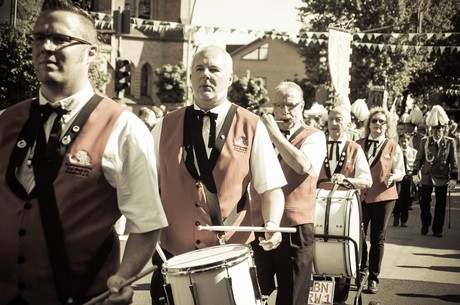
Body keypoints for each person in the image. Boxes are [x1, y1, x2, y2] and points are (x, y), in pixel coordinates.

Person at [0, 1, 168, 305]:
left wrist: (124, 276)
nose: (46, 47)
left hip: (82, 296)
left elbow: (146, 222)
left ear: (92, 52)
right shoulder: (6, 121)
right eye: (39, 37)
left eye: (61, 39)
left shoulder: (123, 127)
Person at [150, 45, 286, 304]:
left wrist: (272, 224)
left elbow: (271, 188)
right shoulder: (163, 126)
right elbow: (147, 188)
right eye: (199, 69)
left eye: (214, 69)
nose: (206, 75)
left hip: (229, 260)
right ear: (190, 77)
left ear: (230, 78)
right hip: (172, 259)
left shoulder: (251, 124)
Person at [249, 81, 326, 305]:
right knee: (252, 293)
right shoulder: (260, 135)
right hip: (259, 223)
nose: (284, 111)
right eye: (278, 105)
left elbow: (302, 165)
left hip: (294, 227)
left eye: (290, 105)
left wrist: (273, 133)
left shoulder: (315, 136)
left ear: (302, 106)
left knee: (291, 297)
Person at [317, 106, 372, 305]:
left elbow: (367, 180)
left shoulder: (355, 148)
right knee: (317, 251)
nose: (333, 123)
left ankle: (340, 299)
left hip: (344, 213)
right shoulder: (317, 144)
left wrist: (347, 180)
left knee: (343, 252)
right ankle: (320, 297)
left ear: (348, 124)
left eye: (338, 119)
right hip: (318, 210)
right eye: (331, 119)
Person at [356, 106, 405, 294]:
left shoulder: (393, 146)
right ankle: (361, 270)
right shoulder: (357, 144)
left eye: (381, 121)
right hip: (361, 196)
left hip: (384, 197)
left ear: (387, 126)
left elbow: (401, 171)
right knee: (358, 237)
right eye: (374, 121)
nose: (377, 124)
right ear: (368, 124)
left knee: (377, 238)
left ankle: (373, 278)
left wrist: (394, 176)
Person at [412, 105, 458, 237]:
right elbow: (419, 158)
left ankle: (437, 229)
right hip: (426, 177)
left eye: (439, 128)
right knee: (424, 202)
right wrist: (415, 173)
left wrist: (454, 178)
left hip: (442, 177)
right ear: (430, 128)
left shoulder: (449, 142)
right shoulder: (425, 141)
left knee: (441, 204)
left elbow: (453, 161)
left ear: (444, 129)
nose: (437, 131)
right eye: (434, 128)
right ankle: (425, 224)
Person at [393, 133, 418, 227]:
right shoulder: (396, 151)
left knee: (406, 200)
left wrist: (417, 178)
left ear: (409, 141)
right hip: (398, 178)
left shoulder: (414, 152)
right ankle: (396, 217)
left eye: (405, 141)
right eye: (401, 141)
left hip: (408, 178)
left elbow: (417, 165)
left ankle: (404, 220)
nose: (403, 143)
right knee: (397, 199)